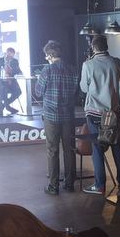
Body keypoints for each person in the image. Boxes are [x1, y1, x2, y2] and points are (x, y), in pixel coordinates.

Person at [79, 35, 120, 195]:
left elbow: (84, 88)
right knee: (117, 147)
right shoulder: (117, 62)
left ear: (93, 47)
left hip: (94, 112)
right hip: (113, 112)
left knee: (98, 149)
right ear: (106, 46)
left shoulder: (88, 65)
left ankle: (100, 185)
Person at [35, 40, 79, 195]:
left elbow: (38, 92)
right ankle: (69, 184)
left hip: (51, 116)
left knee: (52, 150)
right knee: (69, 150)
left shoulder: (47, 70)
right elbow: (76, 92)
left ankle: (53, 186)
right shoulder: (73, 70)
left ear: (49, 55)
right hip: (68, 116)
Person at [0, 47, 23, 117]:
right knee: (3, 90)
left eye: (12, 56)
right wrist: (0, 75)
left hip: (10, 83)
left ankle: (3, 106)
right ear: (6, 54)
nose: (10, 58)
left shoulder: (15, 61)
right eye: (9, 56)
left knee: (18, 91)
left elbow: (19, 71)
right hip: (0, 83)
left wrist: (16, 72)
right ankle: (7, 107)